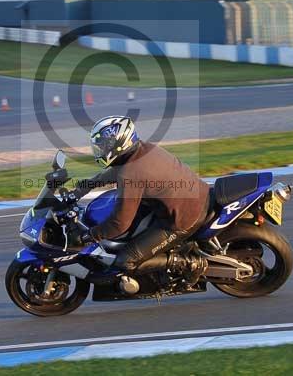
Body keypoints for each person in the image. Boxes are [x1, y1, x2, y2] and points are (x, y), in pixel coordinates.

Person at [83, 115, 211, 272]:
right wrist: (83, 187)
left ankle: (189, 263)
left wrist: (91, 235)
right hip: (196, 196)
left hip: (182, 220)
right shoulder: (142, 149)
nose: (101, 150)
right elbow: (115, 172)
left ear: (118, 144)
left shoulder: (131, 173)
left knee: (125, 261)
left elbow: (119, 224)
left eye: (103, 146)